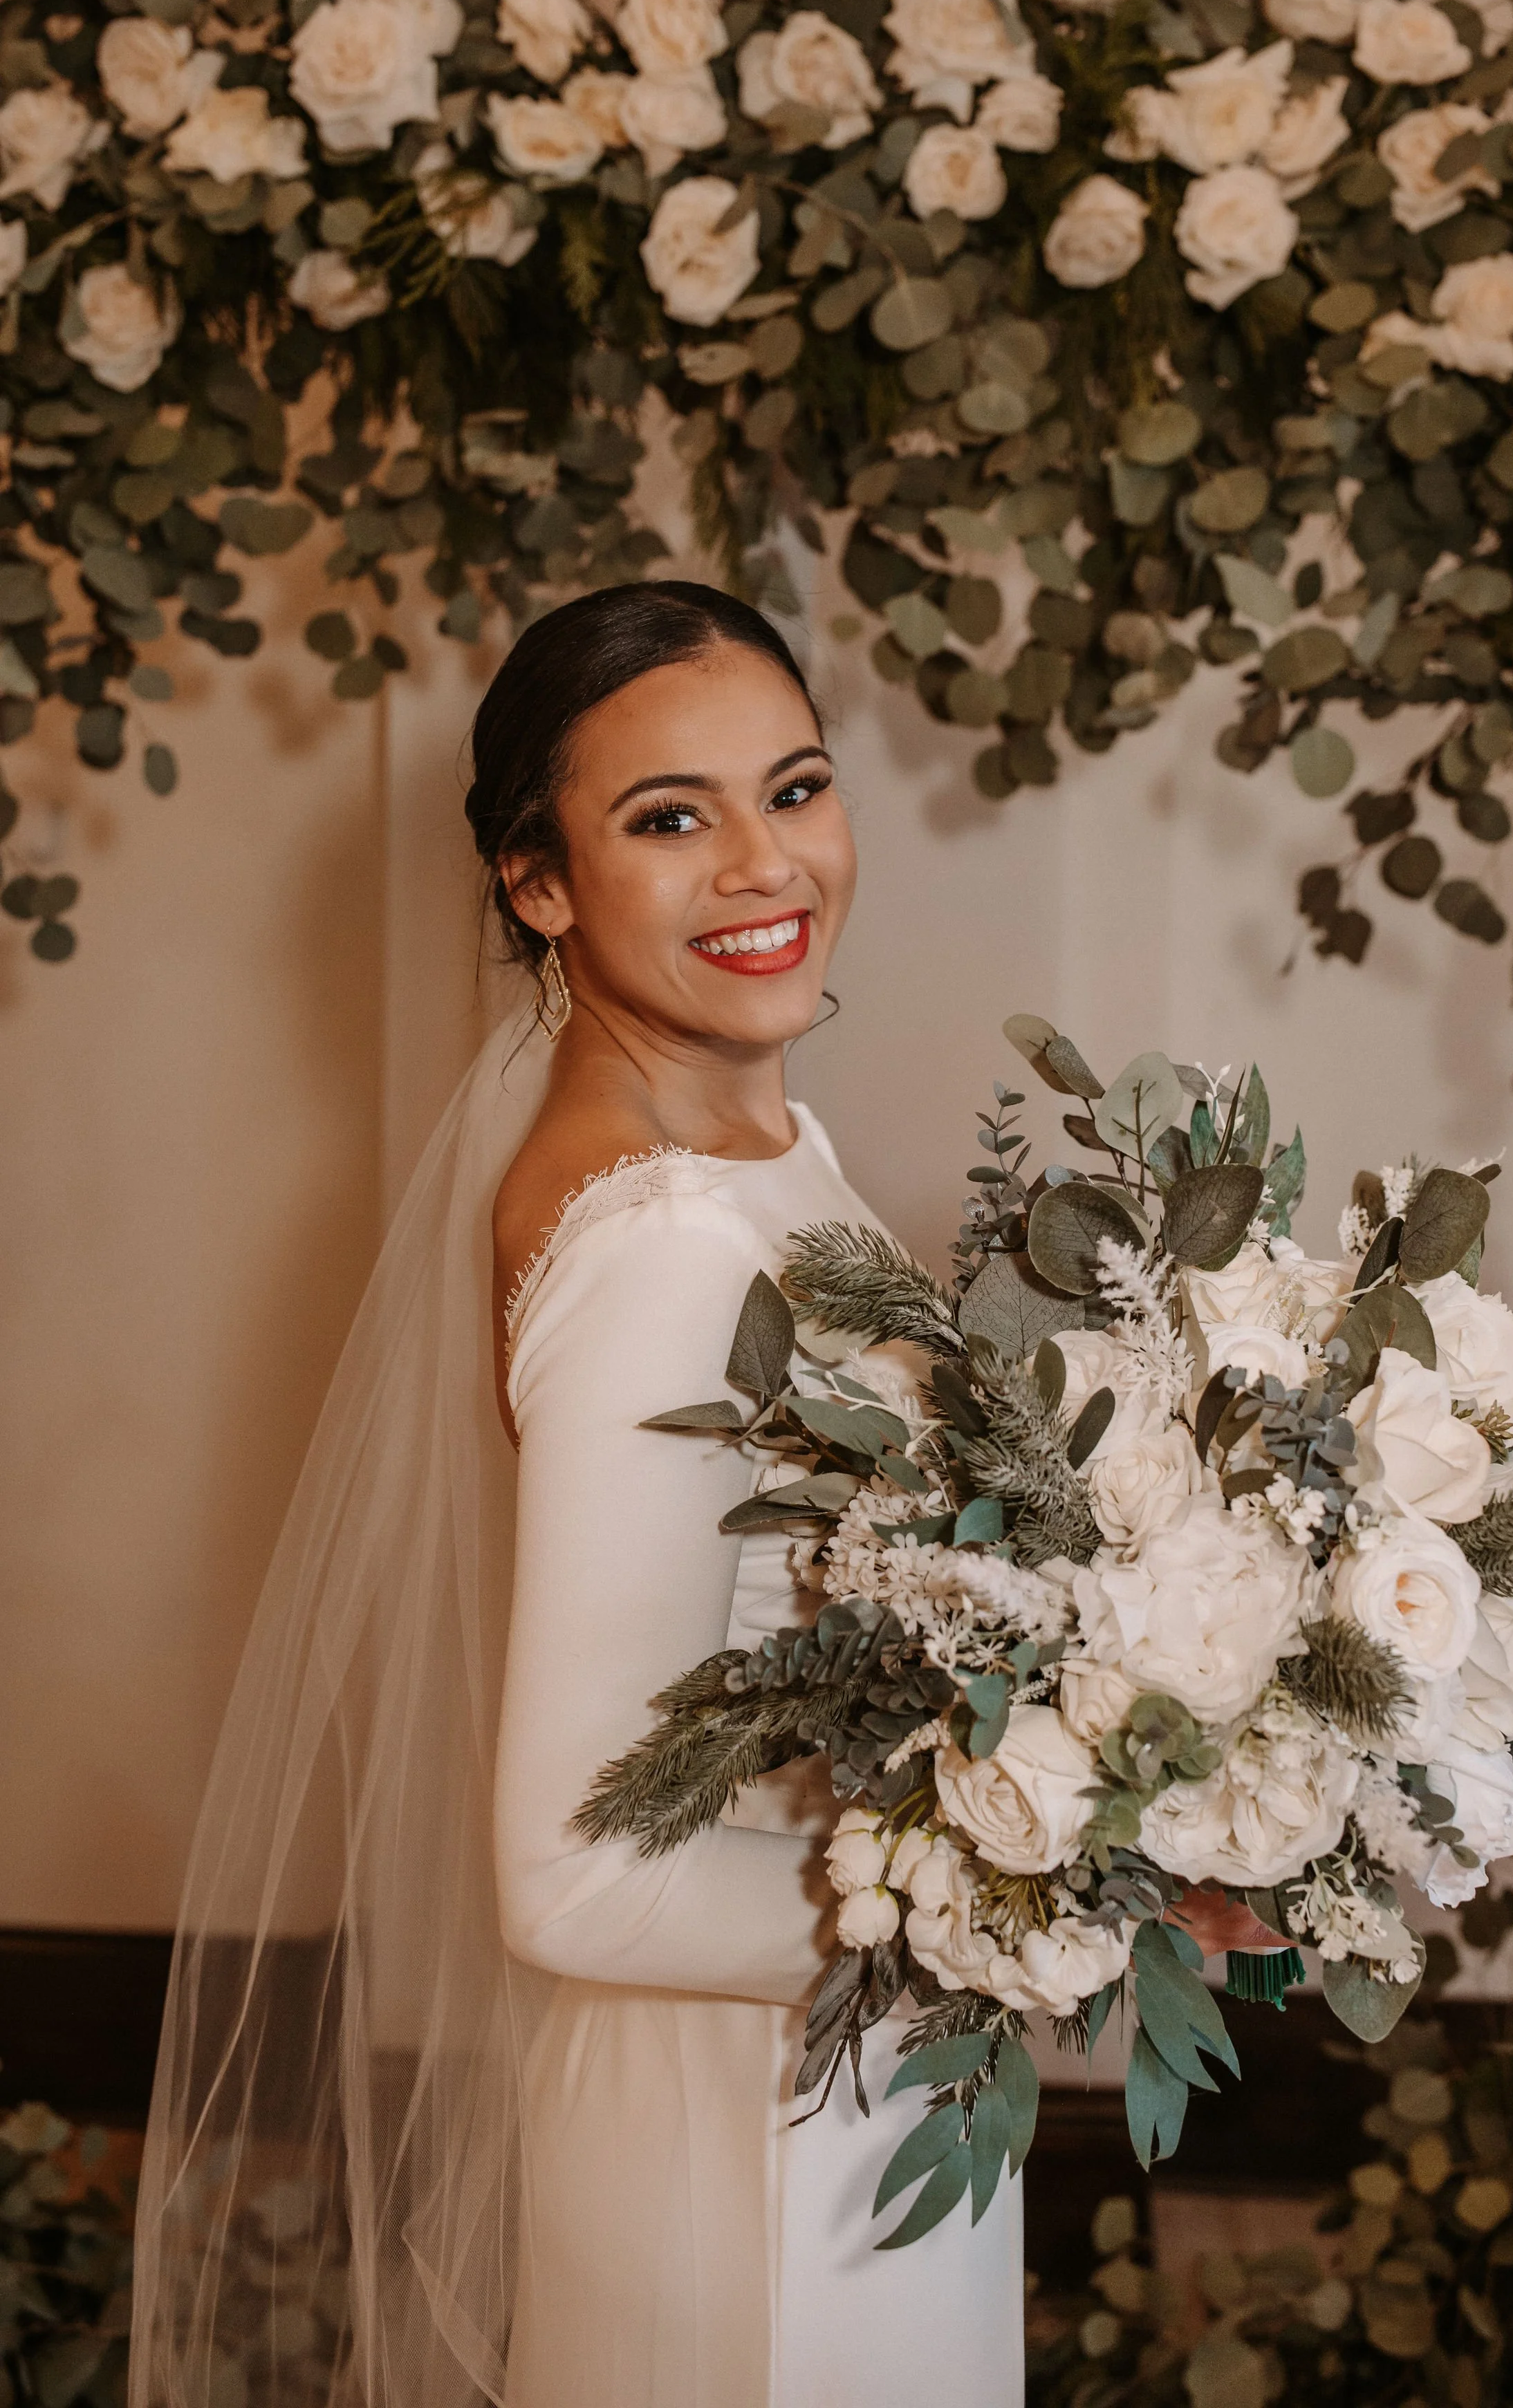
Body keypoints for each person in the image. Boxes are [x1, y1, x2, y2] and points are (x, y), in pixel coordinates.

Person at [130, 583, 1022, 2408]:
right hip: (757, 2143)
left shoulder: (765, 1153)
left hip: (843, 2080)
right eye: (669, 819)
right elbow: (575, 1884)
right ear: (539, 884)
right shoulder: (668, 1243)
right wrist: (1022, 1898)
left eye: (794, 788)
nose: (767, 866)